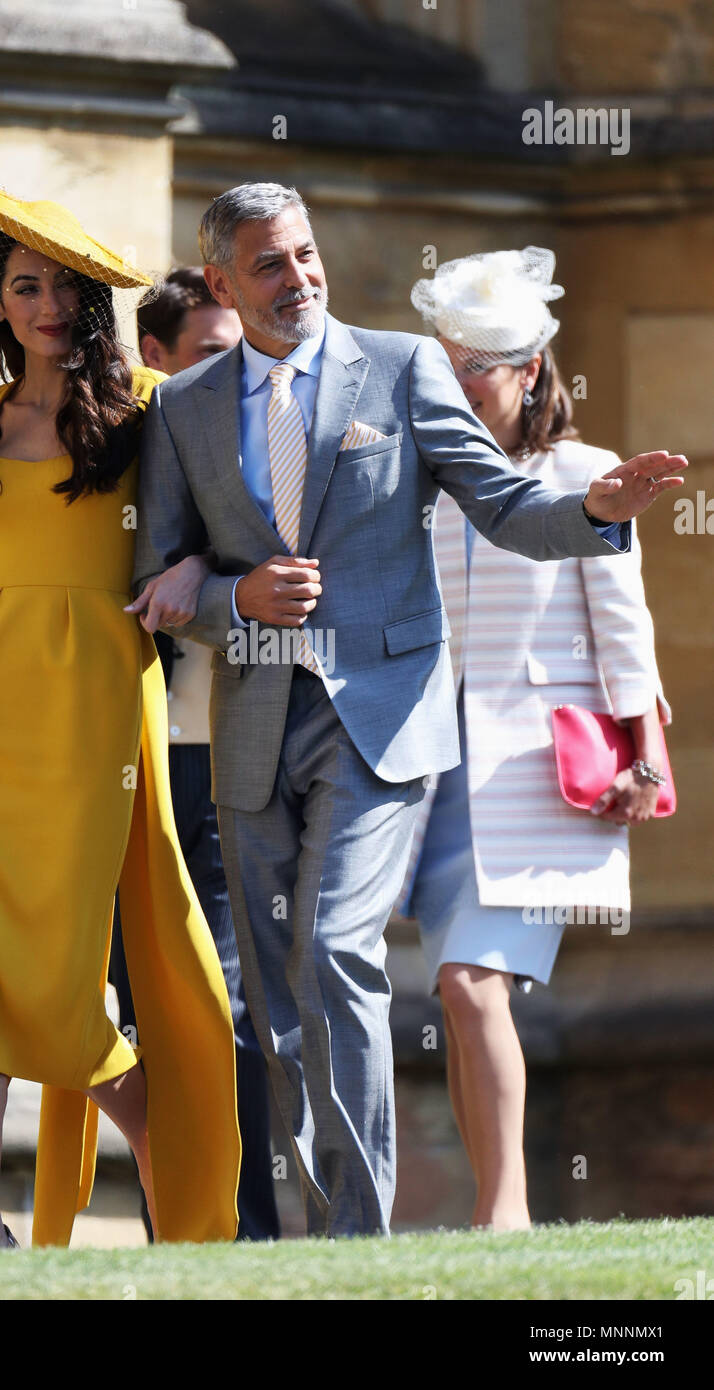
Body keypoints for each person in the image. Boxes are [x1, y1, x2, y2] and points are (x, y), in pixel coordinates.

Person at [129, 181, 686, 1238]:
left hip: (380, 717)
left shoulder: (398, 366)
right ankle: (315, 1224)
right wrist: (229, 597)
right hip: (253, 723)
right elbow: (160, 575)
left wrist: (595, 512)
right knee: (277, 999)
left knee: (335, 945)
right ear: (219, 283)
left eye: (304, 254)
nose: (298, 277)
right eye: (268, 264)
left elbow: (504, 499)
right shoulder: (183, 410)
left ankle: (355, 1237)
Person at [0, 176, 240, 1248]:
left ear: (92, 303)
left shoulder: (151, 409)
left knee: (55, 966)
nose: (47, 303)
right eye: (23, 285)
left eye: (63, 286)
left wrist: (188, 569)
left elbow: (214, 538)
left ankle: (156, 1146)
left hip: (101, 709)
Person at [397, 247, 672, 1230]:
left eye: (475, 364)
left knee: (473, 984)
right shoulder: (413, 478)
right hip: (422, 773)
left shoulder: (582, 475)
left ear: (527, 367)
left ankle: (504, 1212)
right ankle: (488, 1205)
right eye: (443, 362)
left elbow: (622, 625)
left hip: (530, 774)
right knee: (452, 989)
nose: (453, 381)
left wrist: (644, 753)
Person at [110, 267, 280, 1242]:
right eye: (213, 353)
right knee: (147, 1007)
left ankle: (238, 1230)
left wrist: (203, 567)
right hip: (134, 763)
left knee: (230, 1003)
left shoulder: (272, 443)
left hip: (237, 756)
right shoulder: (123, 453)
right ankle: (183, 1229)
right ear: (156, 362)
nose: (236, 371)